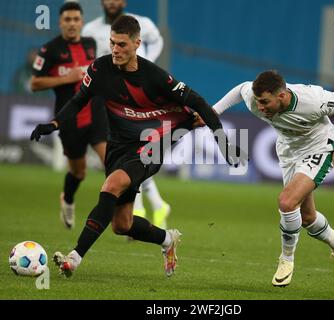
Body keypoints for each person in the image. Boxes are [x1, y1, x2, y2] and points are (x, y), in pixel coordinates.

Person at [30, 15, 246, 278]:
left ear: (136, 44)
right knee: (122, 225)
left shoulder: (154, 76)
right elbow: (78, 101)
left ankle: (73, 259)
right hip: (117, 147)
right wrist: (53, 123)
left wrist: (222, 142)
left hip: (151, 144)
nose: (115, 50)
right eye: (112, 43)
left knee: (111, 185)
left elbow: (198, 102)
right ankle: (167, 239)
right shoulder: (99, 70)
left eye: (121, 44)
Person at [211, 70, 334, 287]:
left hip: (318, 147)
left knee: (287, 202)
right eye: (258, 102)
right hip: (287, 150)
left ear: (282, 96)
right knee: (306, 217)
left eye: (265, 102)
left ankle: (286, 259)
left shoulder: (312, 100)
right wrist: (214, 112)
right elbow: (241, 89)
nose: (261, 107)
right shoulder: (255, 99)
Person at [82, 0, 169, 229]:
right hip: (105, 98)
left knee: (134, 153)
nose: (112, 2)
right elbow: (86, 61)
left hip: (135, 98)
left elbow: (157, 41)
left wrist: (146, 62)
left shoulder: (141, 24)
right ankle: (155, 203)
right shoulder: (90, 30)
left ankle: (140, 206)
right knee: (125, 156)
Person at [31, 2, 108, 230]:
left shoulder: (91, 45)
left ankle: (123, 216)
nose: (72, 24)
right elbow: (35, 83)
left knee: (111, 164)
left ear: (82, 22)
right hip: (69, 119)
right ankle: (68, 199)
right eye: (68, 20)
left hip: (96, 113)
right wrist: (67, 78)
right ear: (60, 23)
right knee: (79, 172)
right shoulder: (49, 50)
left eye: (76, 19)